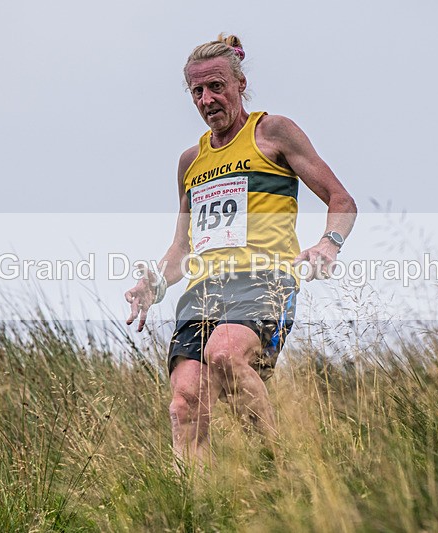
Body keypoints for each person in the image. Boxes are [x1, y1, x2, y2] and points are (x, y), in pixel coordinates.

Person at [125, 34, 357, 464]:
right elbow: (181, 248)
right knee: (184, 405)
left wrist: (329, 243)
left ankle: (279, 471)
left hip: (264, 281)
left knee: (224, 356)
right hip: (202, 293)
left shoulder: (273, 132)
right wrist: (152, 283)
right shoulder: (190, 161)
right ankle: (193, 507)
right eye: (197, 91)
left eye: (216, 87)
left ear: (239, 84)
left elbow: (342, 201)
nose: (207, 99)